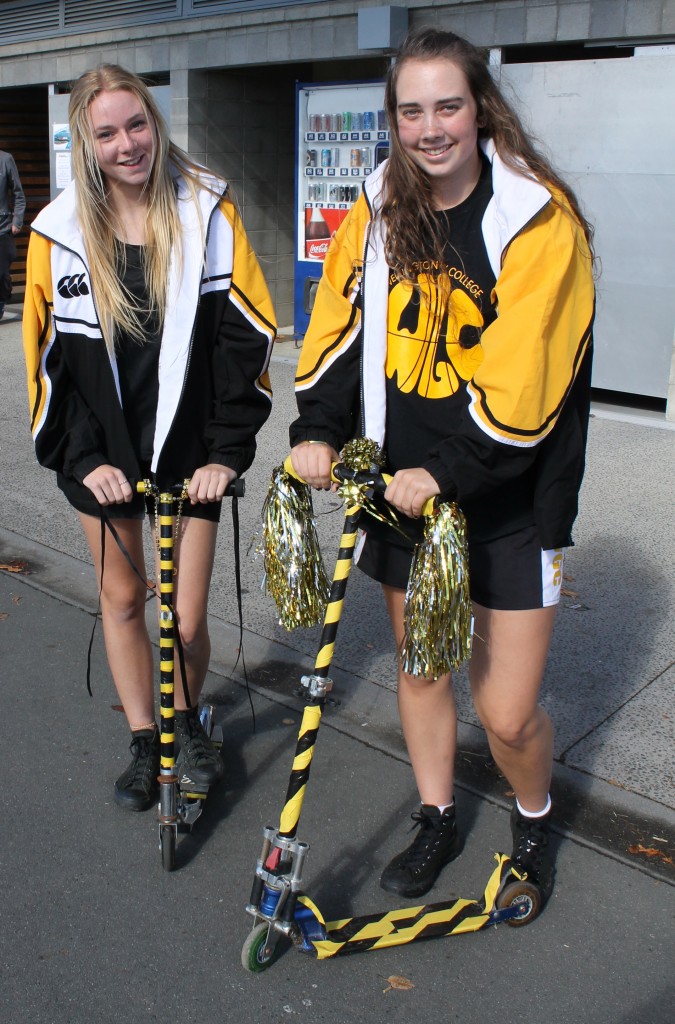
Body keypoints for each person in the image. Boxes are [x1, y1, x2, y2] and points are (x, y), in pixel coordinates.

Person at [289, 28, 594, 904]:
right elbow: (338, 329)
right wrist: (317, 424)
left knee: (503, 712)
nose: (429, 128)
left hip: (502, 500)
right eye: (410, 109)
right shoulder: (380, 206)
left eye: (447, 106)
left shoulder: (537, 220)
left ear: (480, 109)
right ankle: (435, 814)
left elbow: (526, 381)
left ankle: (531, 817)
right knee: (421, 667)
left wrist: (446, 472)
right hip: (400, 489)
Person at [23, 65, 276, 811]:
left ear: (155, 125)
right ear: (85, 142)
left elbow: (247, 341)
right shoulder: (58, 232)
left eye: (137, 125)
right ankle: (145, 739)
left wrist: (225, 451)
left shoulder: (206, 210)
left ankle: (187, 721)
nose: (127, 144)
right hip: (101, 454)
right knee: (124, 597)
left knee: (187, 617)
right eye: (107, 132)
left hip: (189, 449)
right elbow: (45, 364)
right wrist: (81, 456)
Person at [0, 149, 26, 320]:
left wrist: (17, 221)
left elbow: (19, 194)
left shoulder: (5, 159)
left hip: (2, 227)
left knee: (1, 274)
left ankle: (1, 302)